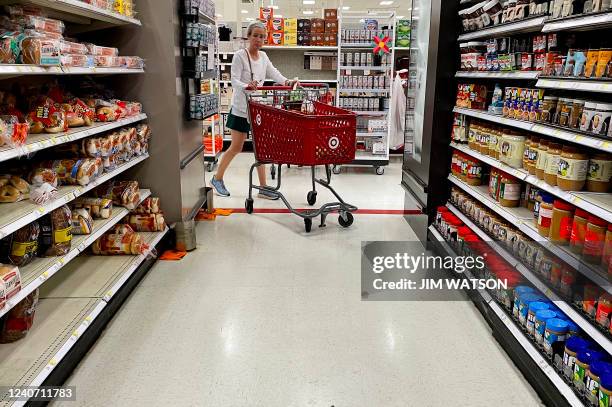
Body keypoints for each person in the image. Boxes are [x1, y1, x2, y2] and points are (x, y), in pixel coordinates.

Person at [211, 21, 295, 199]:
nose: (258, 39)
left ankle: (263, 187)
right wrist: (246, 86)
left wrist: (287, 82)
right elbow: (234, 81)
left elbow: (275, 73)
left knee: (260, 148)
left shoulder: (264, 57)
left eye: (261, 36)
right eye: (255, 35)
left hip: (257, 109)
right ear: (248, 37)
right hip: (241, 108)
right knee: (236, 147)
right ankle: (217, 179)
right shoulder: (240, 56)